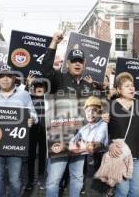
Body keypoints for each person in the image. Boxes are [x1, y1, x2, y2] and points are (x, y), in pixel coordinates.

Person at [42, 32, 98, 197]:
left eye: (80, 61)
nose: (77, 64)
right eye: (74, 61)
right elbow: (45, 69)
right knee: (53, 181)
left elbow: (95, 113)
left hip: (81, 139)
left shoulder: (89, 87)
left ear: (84, 64)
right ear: (68, 63)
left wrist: (103, 117)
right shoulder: (59, 78)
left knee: (77, 178)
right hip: (60, 137)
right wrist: (54, 43)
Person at [0, 64, 38, 197]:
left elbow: (35, 117)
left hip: (15, 146)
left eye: (9, 75)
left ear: (14, 77)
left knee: (15, 181)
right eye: (2, 76)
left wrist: (31, 119)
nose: (5, 79)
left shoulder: (24, 95)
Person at [25, 80, 47, 191]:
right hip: (32, 131)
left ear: (44, 88)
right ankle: (30, 179)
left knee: (42, 156)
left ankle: (41, 177)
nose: (38, 88)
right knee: (31, 156)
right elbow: (21, 96)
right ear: (33, 89)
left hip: (45, 132)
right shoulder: (29, 98)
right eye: (36, 86)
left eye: (41, 86)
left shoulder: (48, 99)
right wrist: (27, 84)